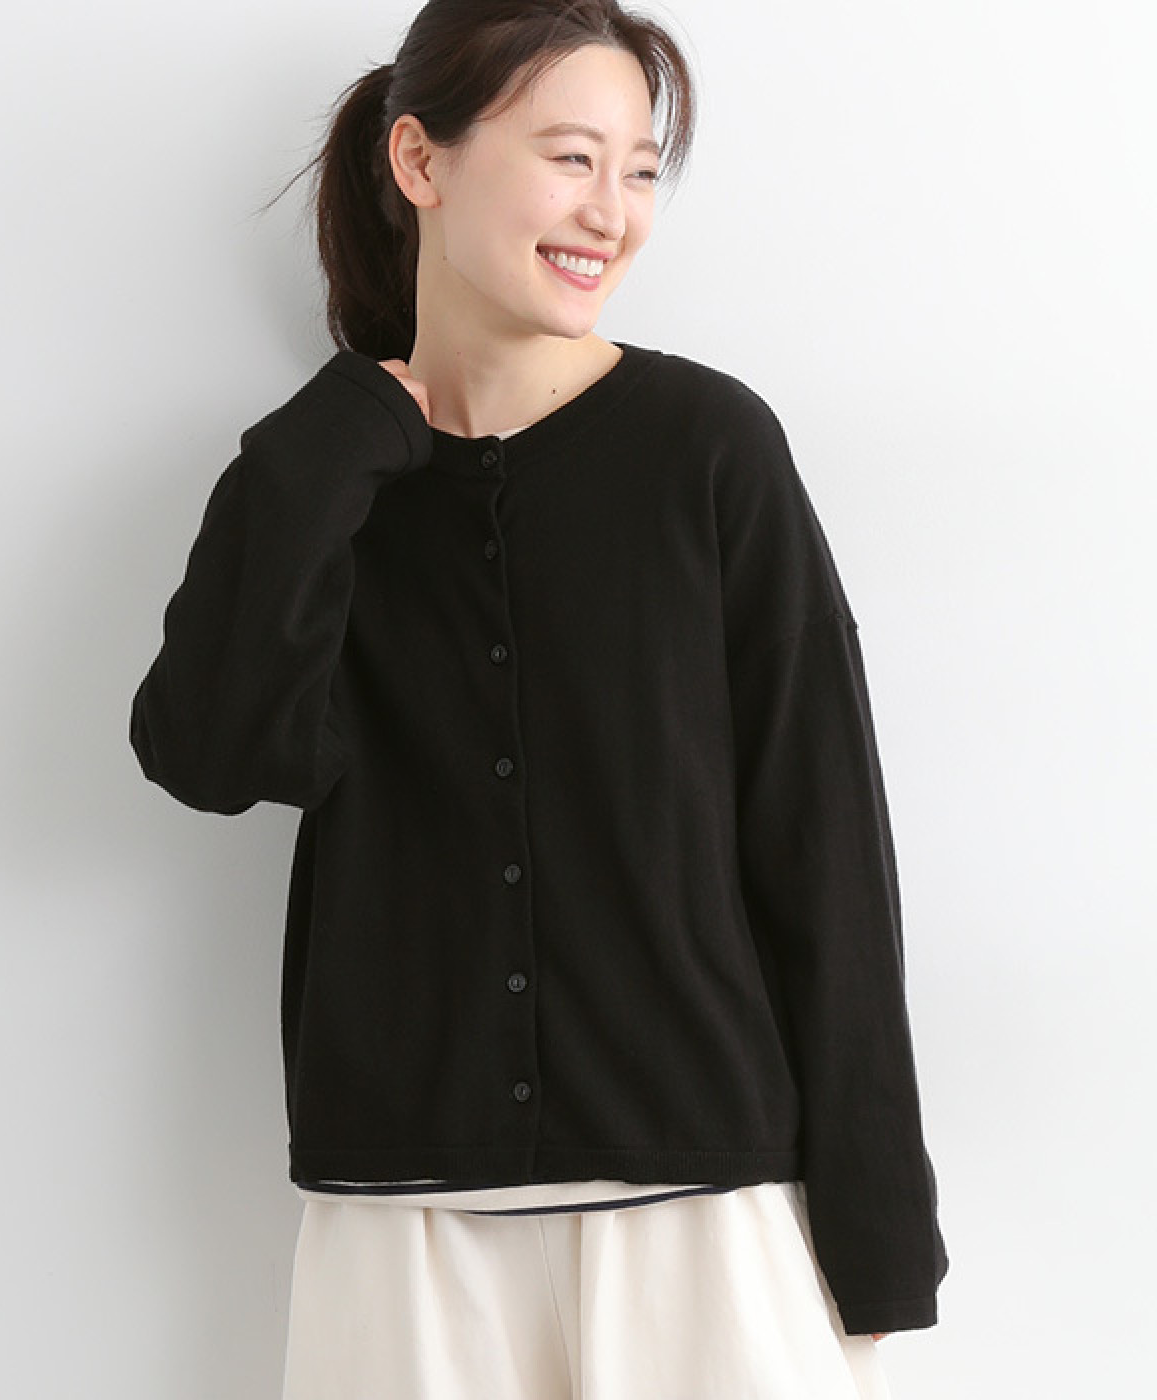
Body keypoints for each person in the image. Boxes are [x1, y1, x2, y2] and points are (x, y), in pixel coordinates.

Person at [129, 1, 949, 1394]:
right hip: (405, 1232)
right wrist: (331, 447)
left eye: (639, 170)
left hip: (702, 1218)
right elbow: (209, 753)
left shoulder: (711, 451)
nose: (610, 213)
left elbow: (822, 847)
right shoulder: (325, 479)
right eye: (572, 157)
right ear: (421, 160)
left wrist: (880, 1241)